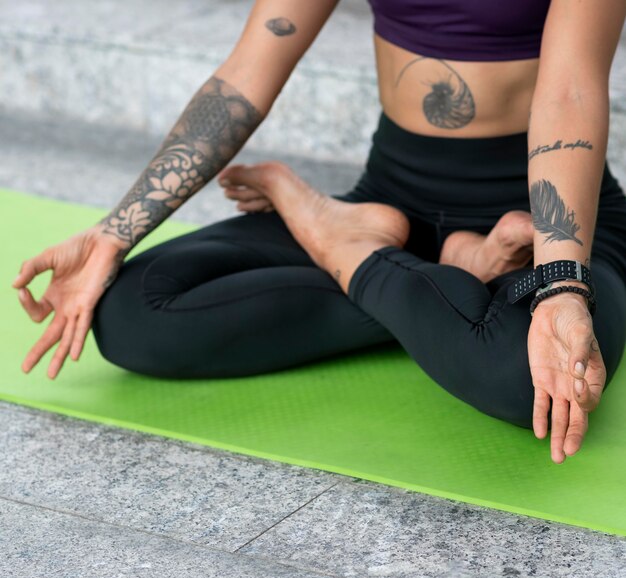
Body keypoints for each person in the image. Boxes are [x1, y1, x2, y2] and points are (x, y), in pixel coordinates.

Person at [11, 0, 626, 465]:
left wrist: (561, 283)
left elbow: (570, 91)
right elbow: (246, 73)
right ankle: (420, 272)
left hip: (553, 219)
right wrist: (115, 232)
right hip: (394, 198)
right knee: (129, 316)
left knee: (536, 389)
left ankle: (366, 257)